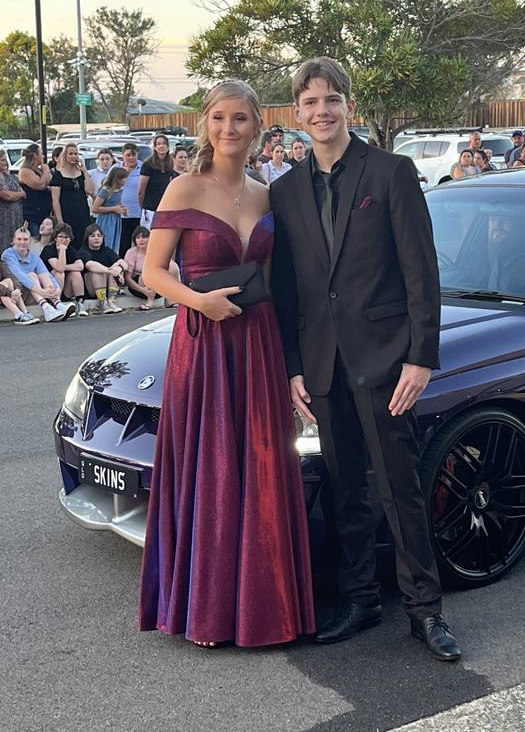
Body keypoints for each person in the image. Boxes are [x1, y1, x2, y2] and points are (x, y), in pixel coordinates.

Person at [270, 56, 461, 660]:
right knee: (345, 485)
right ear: (296, 114)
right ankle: (360, 598)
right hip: (323, 366)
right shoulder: (284, 190)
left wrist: (419, 356)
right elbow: (290, 289)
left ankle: (425, 610)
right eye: (309, 102)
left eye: (331, 99)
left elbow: (420, 271)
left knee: (400, 489)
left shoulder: (391, 172)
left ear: (348, 105)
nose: (321, 111)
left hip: (385, 361)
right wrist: (294, 366)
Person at [138, 79, 315, 649]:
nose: (229, 129)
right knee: (213, 467)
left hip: (258, 342)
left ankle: (267, 606)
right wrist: (199, 302)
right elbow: (154, 272)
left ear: (258, 126)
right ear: (205, 125)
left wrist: (293, 364)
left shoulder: (268, 196)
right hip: (205, 342)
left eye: (241, 119)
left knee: (260, 462)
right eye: (219, 118)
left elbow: (285, 283)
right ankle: (209, 609)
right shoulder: (183, 189)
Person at [1, 227, 74, 321]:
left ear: (30, 241)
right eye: (19, 239)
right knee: (31, 275)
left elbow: (45, 273)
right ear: (13, 240)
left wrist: (56, 289)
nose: (22, 242)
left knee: (42, 275)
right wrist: (41, 291)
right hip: (17, 295)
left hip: (34, 294)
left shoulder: (34, 257)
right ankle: (47, 308)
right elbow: (20, 276)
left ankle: (58, 304)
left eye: (25, 239)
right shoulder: (8, 254)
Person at [123, 225, 180, 309]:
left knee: (172, 265)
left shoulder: (156, 249)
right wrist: (142, 290)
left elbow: (171, 268)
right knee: (147, 271)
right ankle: (150, 301)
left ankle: (170, 299)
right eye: (138, 237)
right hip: (139, 286)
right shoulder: (131, 252)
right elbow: (128, 279)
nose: (141, 240)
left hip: (158, 284)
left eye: (144, 237)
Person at [38, 222, 88, 316]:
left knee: (75, 273)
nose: (64, 240)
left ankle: (80, 303)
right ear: (55, 238)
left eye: (66, 237)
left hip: (65, 289)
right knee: (58, 272)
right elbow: (59, 268)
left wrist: (65, 267)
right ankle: (57, 304)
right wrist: (62, 251)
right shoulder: (49, 249)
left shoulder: (71, 250)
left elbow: (80, 266)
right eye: (61, 237)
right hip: (49, 290)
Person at [50, 143, 93, 250]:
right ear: (65, 155)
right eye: (71, 154)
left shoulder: (81, 173)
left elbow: (90, 190)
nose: (74, 156)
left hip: (82, 212)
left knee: (84, 241)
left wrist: (85, 171)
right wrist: (60, 220)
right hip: (67, 213)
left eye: (75, 154)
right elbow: (55, 199)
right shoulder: (58, 174)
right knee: (70, 242)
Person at [78, 223, 127, 314]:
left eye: (99, 236)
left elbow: (124, 263)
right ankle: (103, 302)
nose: (96, 238)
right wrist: (111, 271)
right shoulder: (83, 251)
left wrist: (118, 268)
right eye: (92, 236)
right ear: (87, 238)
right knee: (98, 271)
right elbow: (90, 265)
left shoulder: (106, 250)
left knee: (117, 267)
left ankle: (112, 301)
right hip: (91, 288)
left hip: (108, 286)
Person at [138, 134, 177, 226]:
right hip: (150, 210)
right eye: (158, 144)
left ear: (168, 147)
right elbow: (141, 191)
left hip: (166, 209)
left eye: (164, 143)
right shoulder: (148, 165)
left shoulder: (171, 164)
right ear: (155, 147)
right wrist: (143, 208)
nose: (161, 146)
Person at [92, 167, 129, 253]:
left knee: (115, 243)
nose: (125, 180)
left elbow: (116, 203)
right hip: (106, 220)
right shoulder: (106, 190)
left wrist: (122, 209)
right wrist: (114, 209)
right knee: (106, 241)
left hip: (116, 220)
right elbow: (95, 208)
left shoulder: (119, 190)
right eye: (123, 178)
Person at [18, 144, 52, 237]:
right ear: (35, 155)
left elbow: (48, 182)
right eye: (41, 153)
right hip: (33, 216)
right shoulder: (25, 171)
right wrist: (45, 170)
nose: (43, 156)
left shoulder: (38, 170)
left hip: (44, 214)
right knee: (35, 240)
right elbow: (41, 185)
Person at [119, 142, 143, 258]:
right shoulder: (116, 168)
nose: (131, 158)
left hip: (139, 212)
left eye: (134, 155)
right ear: (123, 155)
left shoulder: (144, 168)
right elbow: (107, 185)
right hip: (122, 213)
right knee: (123, 243)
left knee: (140, 243)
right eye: (128, 155)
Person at [0, 150, 25, 246]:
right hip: (3, 221)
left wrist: (17, 195)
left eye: (5, 160)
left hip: (15, 219)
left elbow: (23, 193)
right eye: (2, 160)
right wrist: (17, 195)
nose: (5, 162)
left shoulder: (9, 177)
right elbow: (7, 196)